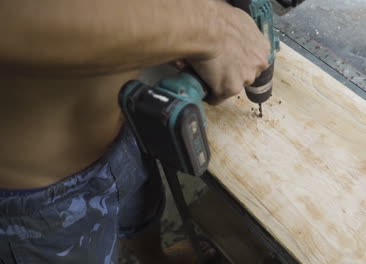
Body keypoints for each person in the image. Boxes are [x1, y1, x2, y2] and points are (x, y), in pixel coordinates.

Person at [0, 0, 270, 263]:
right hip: (41, 201)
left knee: (142, 215)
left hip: (125, 123)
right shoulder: (204, 23)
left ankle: (153, 257)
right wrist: (207, 25)